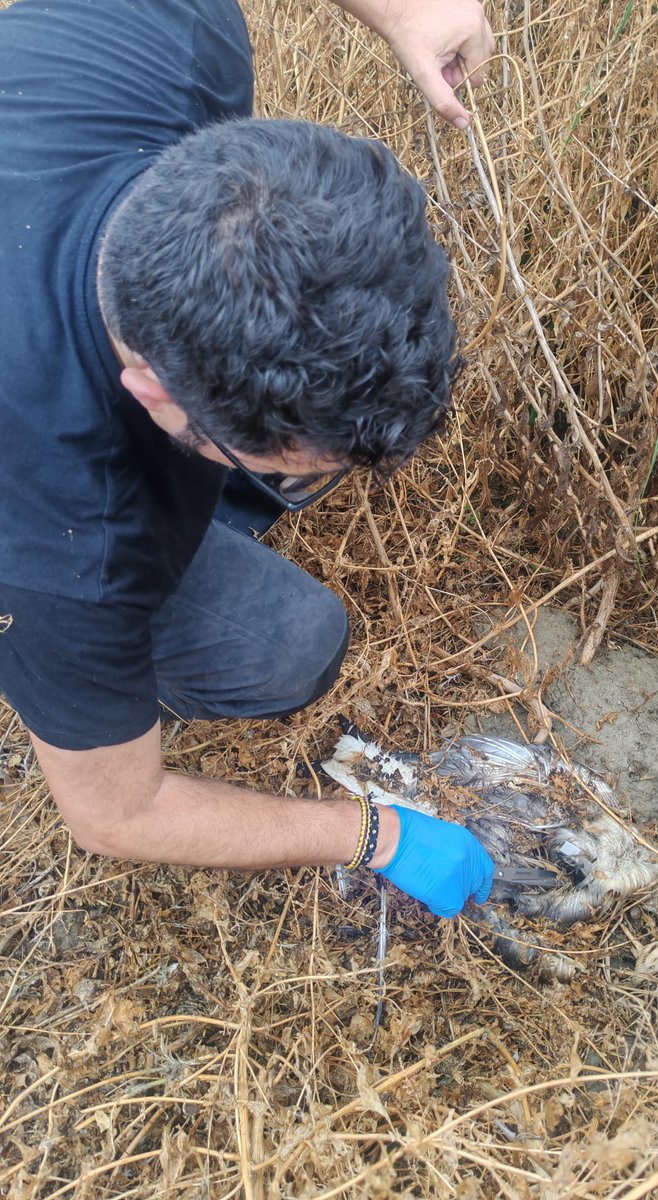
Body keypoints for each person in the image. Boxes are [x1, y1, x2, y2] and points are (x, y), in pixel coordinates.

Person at [0, 0, 496, 918]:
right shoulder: (64, 540)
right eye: (293, 470)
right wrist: (372, 836)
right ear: (153, 395)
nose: (311, 485)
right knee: (274, 651)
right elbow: (117, 813)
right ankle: (70, 683)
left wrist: (401, 12)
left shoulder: (166, 39)